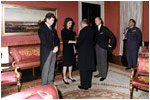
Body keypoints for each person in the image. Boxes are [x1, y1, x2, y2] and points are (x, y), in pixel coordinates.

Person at [38, 13, 59, 85]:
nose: (53, 22)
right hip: (46, 52)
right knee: (45, 69)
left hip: (54, 51)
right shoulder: (42, 29)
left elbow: (56, 39)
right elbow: (44, 41)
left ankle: (50, 83)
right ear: (47, 19)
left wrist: (56, 46)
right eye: (52, 20)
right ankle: (44, 85)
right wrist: (53, 48)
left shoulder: (53, 29)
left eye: (54, 20)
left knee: (52, 68)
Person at [94, 17, 116, 81]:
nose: (95, 22)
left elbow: (112, 37)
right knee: (98, 61)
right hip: (97, 46)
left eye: (96, 20)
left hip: (103, 47)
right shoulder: (95, 29)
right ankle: (100, 73)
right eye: (95, 21)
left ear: (100, 21)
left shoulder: (105, 28)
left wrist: (110, 45)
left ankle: (104, 75)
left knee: (103, 61)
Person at [76, 19, 95, 90]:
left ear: (83, 23)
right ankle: (88, 84)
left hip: (83, 52)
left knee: (83, 69)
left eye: (81, 24)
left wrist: (76, 47)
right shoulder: (92, 30)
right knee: (89, 69)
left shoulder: (83, 31)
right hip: (90, 51)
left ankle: (84, 85)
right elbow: (94, 41)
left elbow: (79, 41)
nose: (80, 25)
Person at [61, 17, 76, 85]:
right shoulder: (63, 31)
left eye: (71, 23)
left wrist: (74, 49)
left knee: (71, 63)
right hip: (66, 49)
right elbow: (66, 41)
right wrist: (75, 42)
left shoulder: (71, 32)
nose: (70, 24)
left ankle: (70, 76)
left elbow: (72, 42)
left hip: (71, 49)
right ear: (66, 23)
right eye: (69, 23)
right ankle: (64, 77)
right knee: (66, 64)